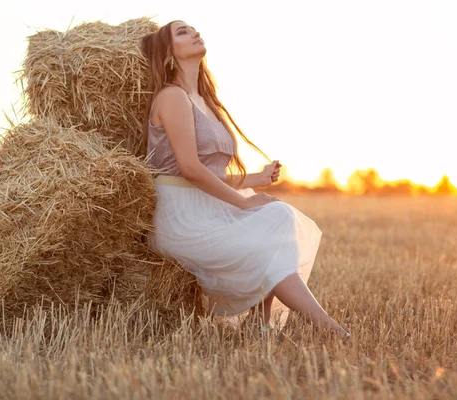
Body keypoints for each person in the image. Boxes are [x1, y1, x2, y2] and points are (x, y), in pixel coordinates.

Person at [140, 20, 350, 340]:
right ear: (168, 53)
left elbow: (210, 174)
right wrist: (245, 200)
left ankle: (259, 324)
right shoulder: (172, 96)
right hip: (180, 214)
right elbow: (189, 169)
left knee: (277, 215)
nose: (195, 32)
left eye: (193, 28)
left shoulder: (207, 102)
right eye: (182, 32)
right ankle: (329, 328)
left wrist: (256, 178)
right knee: (266, 224)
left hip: (207, 206)